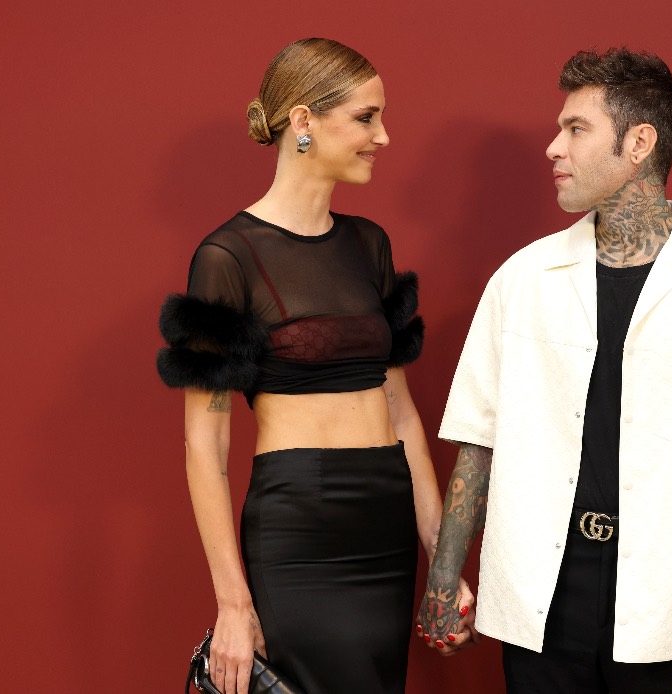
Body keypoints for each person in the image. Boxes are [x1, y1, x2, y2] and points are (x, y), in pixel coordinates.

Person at [417, 47, 672, 694]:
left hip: (666, 600)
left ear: (639, 143)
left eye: (576, 128)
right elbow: (478, 440)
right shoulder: (522, 277)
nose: (553, 148)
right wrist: (441, 579)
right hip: (541, 595)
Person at [155, 38, 469, 694]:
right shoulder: (227, 256)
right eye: (365, 118)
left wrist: (443, 560)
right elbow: (205, 443)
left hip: (384, 521)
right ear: (303, 121)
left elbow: (401, 414)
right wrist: (233, 604)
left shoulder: (370, 245)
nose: (383, 136)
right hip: (300, 526)